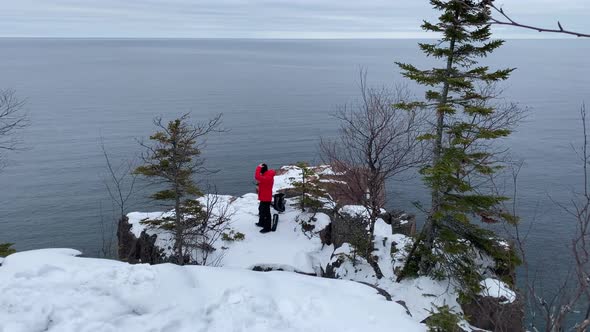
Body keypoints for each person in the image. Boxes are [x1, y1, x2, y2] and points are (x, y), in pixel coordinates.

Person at [254, 163, 276, 233]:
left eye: (260, 170)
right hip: (263, 196)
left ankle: (267, 227)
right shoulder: (266, 175)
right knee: (261, 209)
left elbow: (257, 177)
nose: (260, 173)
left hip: (266, 197)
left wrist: (258, 167)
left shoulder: (268, 177)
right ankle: (261, 222)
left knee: (266, 212)